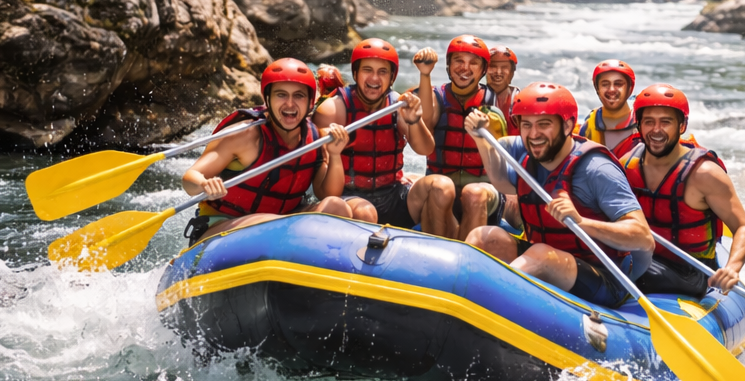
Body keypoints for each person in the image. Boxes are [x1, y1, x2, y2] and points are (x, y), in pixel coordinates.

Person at [463, 84, 654, 309]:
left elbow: (643, 238)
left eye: (544, 125)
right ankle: (458, 297)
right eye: (526, 125)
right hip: (547, 257)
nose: (533, 134)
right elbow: (503, 183)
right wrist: (480, 139)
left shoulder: (597, 170)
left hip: (604, 276)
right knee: (484, 238)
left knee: (542, 255)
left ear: (567, 125)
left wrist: (583, 223)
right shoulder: (531, 157)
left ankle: (482, 306)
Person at [181, 59, 352, 242]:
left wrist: (334, 155)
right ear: (267, 98)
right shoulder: (243, 135)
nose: (290, 104)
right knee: (269, 223)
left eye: (299, 96)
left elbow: (328, 194)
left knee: (336, 207)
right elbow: (189, 180)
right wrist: (204, 184)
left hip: (282, 219)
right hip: (225, 224)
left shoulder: (314, 138)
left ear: (311, 101)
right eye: (281, 95)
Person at [622, 85, 745, 298]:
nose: (656, 130)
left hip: (691, 271)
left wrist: (733, 267)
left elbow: (744, 228)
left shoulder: (705, 174)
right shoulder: (628, 164)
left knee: (630, 269)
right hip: (644, 257)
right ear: (638, 126)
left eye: (666, 122)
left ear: (682, 126)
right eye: (649, 122)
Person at [313, 39, 434, 228]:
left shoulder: (398, 105)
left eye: (382, 72)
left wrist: (415, 121)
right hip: (350, 197)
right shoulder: (333, 109)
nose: (374, 79)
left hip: (392, 193)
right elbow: (323, 190)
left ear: (392, 78)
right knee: (365, 211)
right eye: (367, 70)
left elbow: (425, 149)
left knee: (440, 186)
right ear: (355, 73)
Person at [409, 36, 509, 240]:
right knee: (441, 187)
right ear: (448, 65)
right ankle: (435, 250)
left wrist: (484, 129)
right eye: (459, 61)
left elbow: (501, 139)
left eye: (473, 63)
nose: (465, 68)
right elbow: (425, 123)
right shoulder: (436, 97)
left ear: (483, 71)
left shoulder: (492, 104)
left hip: (483, 191)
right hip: (442, 186)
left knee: (474, 193)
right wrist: (425, 75)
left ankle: (467, 259)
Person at [575, 59, 640, 154]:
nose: (611, 89)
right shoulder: (588, 127)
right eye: (605, 84)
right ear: (597, 88)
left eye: (618, 84)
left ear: (630, 88)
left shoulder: (644, 119)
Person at [486, 45, 519, 124]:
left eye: (504, 67)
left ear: (512, 73)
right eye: (493, 67)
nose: (498, 72)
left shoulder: (520, 102)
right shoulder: (471, 98)